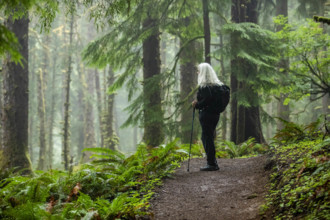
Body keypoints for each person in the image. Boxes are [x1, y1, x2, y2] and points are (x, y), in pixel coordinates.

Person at [192, 63, 223, 171]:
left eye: (199, 71)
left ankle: (212, 164)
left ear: (203, 72)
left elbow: (206, 101)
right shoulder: (216, 86)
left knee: (207, 137)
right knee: (207, 137)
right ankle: (212, 162)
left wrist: (197, 104)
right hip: (215, 114)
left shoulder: (204, 86)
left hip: (206, 115)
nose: (197, 73)